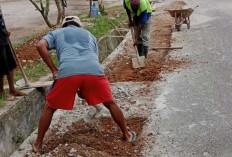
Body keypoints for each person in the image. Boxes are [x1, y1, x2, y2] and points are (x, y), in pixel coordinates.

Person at [31, 16, 136, 153]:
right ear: (79, 26)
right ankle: (127, 135)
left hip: (67, 71)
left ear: (64, 26)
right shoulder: (90, 35)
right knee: (110, 103)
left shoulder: (57, 33)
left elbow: (40, 45)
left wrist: (53, 69)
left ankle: (38, 144)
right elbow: (93, 61)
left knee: (50, 108)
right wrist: (83, 88)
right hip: (93, 70)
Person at [0, 6, 26, 100]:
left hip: (3, 37)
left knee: (10, 64)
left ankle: (12, 89)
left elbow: (1, 18)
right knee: (1, 67)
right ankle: (1, 93)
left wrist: (5, 29)